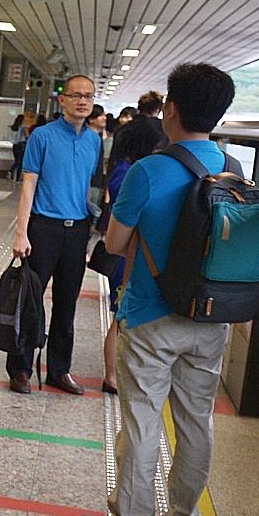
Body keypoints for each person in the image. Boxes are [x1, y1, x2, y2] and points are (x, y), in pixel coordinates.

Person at [76, 63, 238, 516]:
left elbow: (115, 242)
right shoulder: (233, 169)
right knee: (196, 421)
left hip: (151, 315)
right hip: (210, 317)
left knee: (143, 420)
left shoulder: (148, 170)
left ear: (171, 109)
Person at [8, 75, 102, 394]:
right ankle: (20, 368)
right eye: (76, 95)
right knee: (31, 300)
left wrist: (89, 231)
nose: (83, 101)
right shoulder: (42, 136)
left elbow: (85, 186)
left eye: (88, 96)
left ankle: (59, 370)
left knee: (67, 304)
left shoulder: (94, 141)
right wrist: (21, 233)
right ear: (62, 100)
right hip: (44, 228)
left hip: (76, 231)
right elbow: (28, 186)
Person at [95, 116, 164, 395]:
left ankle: (114, 374)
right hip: (127, 254)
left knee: (120, 315)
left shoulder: (123, 167)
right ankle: (111, 376)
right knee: (119, 315)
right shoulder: (130, 173)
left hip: (130, 252)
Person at [109, 91, 166, 166]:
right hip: (149, 169)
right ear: (158, 109)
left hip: (126, 170)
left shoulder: (124, 128)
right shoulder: (162, 128)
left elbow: (114, 157)